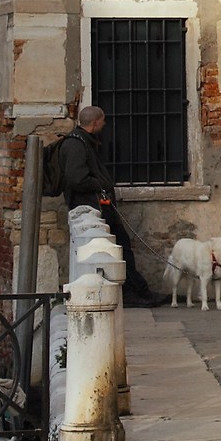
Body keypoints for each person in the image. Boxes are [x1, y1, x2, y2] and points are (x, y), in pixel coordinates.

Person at [54, 106, 153, 305]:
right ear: (95, 122)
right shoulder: (75, 144)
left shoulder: (86, 141)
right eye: (103, 120)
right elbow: (76, 179)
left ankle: (138, 290)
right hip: (92, 208)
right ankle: (130, 293)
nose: (105, 124)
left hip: (101, 207)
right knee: (117, 248)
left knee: (122, 246)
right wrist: (101, 184)